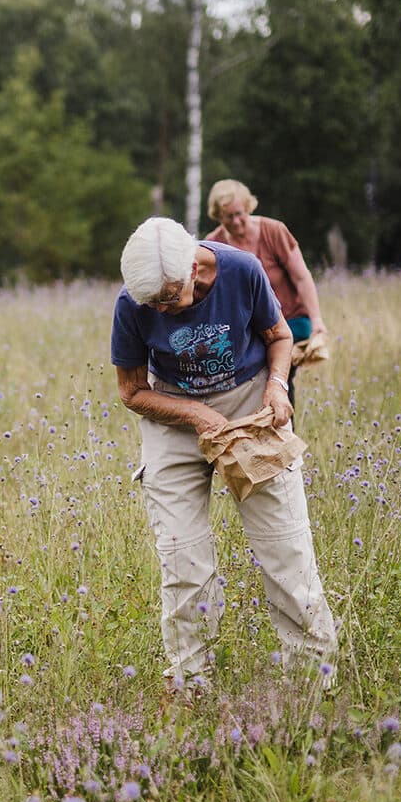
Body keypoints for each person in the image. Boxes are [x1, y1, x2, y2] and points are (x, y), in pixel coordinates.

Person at [111, 217, 338, 696]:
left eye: (168, 298)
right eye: (152, 303)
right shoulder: (132, 302)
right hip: (173, 410)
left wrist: (277, 387)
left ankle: (311, 686)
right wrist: (193, 412)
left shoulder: (242, 270)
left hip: (251, 402)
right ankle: (192, 683)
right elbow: (132, 391)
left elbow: (278, 336)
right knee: (181, 558)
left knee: (286, 551)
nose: (160, 310)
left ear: (195, 268)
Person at [203, 179, 327, 412]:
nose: (237, 221)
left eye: (240, 214)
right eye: (229, 217)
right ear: (218, 216)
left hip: (289, 322)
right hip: (245, 328)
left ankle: (282, 431)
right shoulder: (213, 245)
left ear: (248, 208)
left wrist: (317, 320)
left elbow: (301, 277)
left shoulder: (274, 231)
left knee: (277, 376)